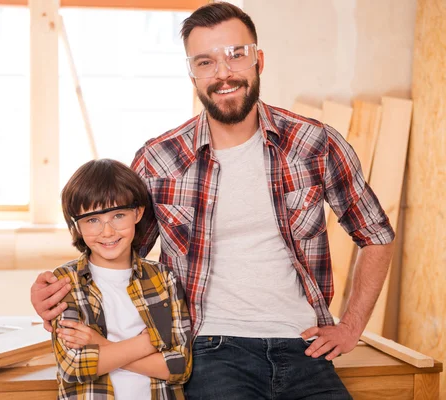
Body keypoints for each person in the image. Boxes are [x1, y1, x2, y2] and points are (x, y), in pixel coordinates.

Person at [31, 3, 395, 399]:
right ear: (192, 75)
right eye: (205, 62)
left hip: (304, 344)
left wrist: (351, 327)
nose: (223, 73)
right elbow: (116, 252)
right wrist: (57, 291)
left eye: (236, 55)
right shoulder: (159, 160)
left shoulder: (313, 144)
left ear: (259, 60)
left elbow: (375, 233)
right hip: (210, 348)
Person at [47, 158, 192, 400]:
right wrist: (148, 344)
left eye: (118, 215)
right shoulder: (65, 281)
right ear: (77, 225)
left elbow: (180, 368)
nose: (107, 231)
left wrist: (100, 344)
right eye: (92, 219)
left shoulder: (164, 279)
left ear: (138, 213)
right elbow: (74, 366)